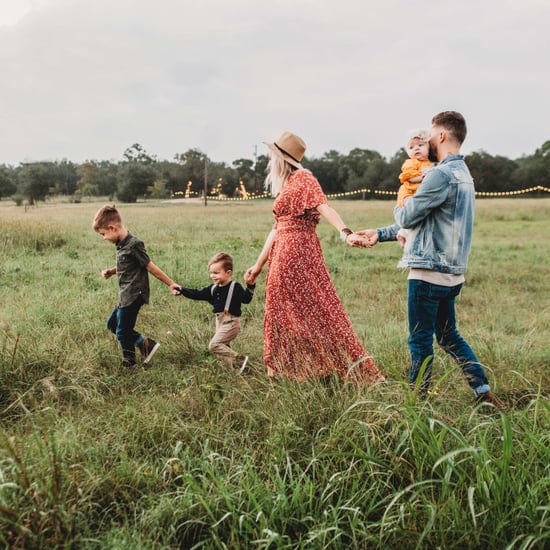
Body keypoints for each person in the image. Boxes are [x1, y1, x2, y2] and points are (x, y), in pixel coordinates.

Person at [356, 112, 504, 408]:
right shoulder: (464, 174)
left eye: (430, 135)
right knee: (449, 336)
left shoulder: (439, 174)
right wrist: (380, 233)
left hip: (427, 272)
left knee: (419, 340)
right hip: (452, 274)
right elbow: (427, 222)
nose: (426, 141)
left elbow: (409, 216)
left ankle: (416, 403)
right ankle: (483, 393)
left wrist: (402, 203)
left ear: (441, 136)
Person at [244, 131, 384, 384]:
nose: (268, 161)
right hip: (283, 252)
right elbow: (276, 228)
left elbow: (324, 206)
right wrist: (257, 265)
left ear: (281, 159)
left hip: (297, 252)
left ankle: (337, 367)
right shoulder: (288, 184)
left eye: (271, 156)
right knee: (281, 312)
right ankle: (289, 370)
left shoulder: (304, 178)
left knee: (318, 310)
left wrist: (345, 233)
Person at [93, 204, 180, 370]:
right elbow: (127, 265)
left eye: (103, 234)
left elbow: (150, 266)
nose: (104, 238)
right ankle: (145, 344)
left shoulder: (134, 244)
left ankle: (130, 363)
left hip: (134, 294)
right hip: (125, 294)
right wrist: (112, 271)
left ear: (112, 227)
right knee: (112, 325)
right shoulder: (122, 245)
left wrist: (171, 284)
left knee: (122, 331)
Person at [176, 252, 254, 373]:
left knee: (214, 345)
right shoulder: (213, 289)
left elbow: (246, 299)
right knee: (224, 349)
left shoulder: (235, 287)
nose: (213, 276)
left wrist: (250, 286)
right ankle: (230, 373)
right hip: (219, 322)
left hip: (231, 322)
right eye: (211, 273)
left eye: (216, 273)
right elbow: (197, 294)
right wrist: (182, 290)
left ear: (228, 273)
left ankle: (240, 359)